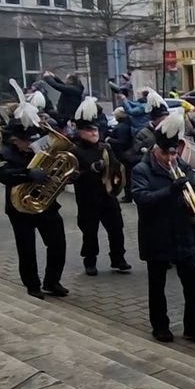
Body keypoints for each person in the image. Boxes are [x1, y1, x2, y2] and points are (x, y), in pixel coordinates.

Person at [131, 108, 195, 344]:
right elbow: (142, 198)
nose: (170, 159)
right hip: (156, 234)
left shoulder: (181, 165)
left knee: (192, 284)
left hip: (183, 233)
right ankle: (160, 326)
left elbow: (194, 186)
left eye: (173, 154)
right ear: (156, 150)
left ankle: (194, 327)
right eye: (165, 154)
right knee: (157, 287)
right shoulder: (141, 170)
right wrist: (170, 190)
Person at [0, 98, 67, 299]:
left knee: (58, 244)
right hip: (20, 207)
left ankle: (52, 281)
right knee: (27, 249)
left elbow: (54, 169)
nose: (31, 144)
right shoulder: (4, 153)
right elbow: (3, 175)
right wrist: (27, 174)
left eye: (33, 139)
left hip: (46, 204)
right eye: (27, 141)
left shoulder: (40, 148)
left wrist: (65, 176)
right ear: (15, 140)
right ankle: (32, 285)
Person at [69, 98, 130, 277]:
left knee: (116, 228)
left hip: (107, 195)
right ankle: (90, 261)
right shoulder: (74, 150)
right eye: (89, 130)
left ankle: (118, 258)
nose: (94, 132)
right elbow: (71, 175)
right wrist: (89, 170)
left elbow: (116, 165)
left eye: (95, 129)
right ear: (80, 131)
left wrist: (116, 174)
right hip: (87, 197)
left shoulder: (105, 147)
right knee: (90, 232)